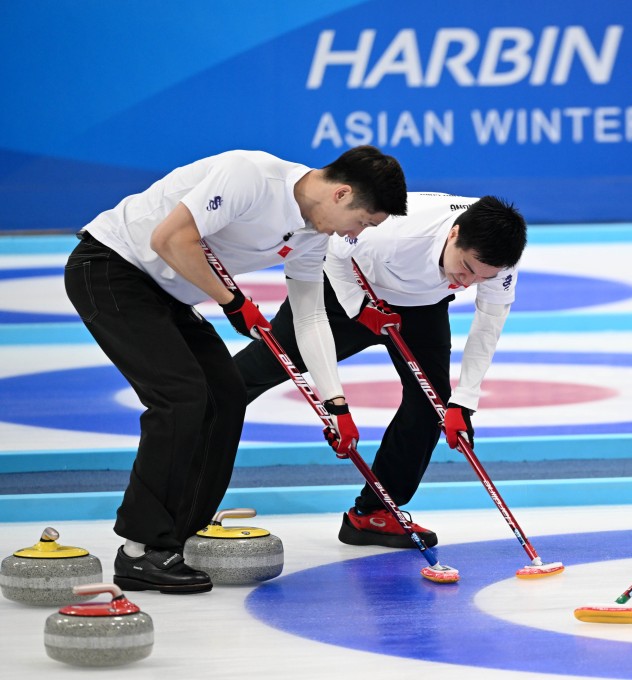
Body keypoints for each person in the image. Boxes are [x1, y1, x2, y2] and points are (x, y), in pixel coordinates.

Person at [64, 146, 407, 593]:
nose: (354, 235)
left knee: (226, 394)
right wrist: (232, 302)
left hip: (169, 293)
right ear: (342, 194)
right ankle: (138, 548)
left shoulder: (312, 234)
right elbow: (169, 239)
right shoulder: (250, 177)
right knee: (181, 397)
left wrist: (335, 402)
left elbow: (309, 316)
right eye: (362, 222)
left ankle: (178, 535)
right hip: (111, 268)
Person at [233, 192, 527, 548]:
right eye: (465, 269)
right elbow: (336, 254)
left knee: (432, 405)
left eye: (480, 278)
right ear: (454, 235)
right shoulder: (395, 231)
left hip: (420, 306)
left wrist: (464, 400)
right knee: (265, 365)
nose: (466, 283)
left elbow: (489, 322)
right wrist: (359, 308)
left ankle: (375, 513)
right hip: (345, 290)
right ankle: (195, 416)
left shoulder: (498, 258)